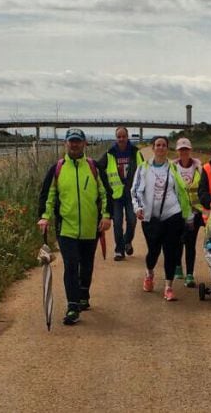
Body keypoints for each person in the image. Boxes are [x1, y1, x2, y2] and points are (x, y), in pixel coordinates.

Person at [37, 128, 112, 325]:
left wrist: (106, 216)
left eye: (78, 141)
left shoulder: (94, 167)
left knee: (86, 265)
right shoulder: (57, 169)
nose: (75, 144)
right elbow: (48, 196)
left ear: (85, 144)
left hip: (90, 227)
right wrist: (44, 217)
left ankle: (83, 294)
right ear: (66, 144)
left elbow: (106, 194)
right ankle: (72, 306)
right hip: (66, 228)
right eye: (71, 141)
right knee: (71, 264)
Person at [131, 136, 192, 301]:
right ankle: (149, 273)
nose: (160, 148)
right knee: (153, 251)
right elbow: (135, 191)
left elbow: (182, 191)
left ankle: (168, 287)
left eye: (164, 145)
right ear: (153, 148)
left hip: (172, 214)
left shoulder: (173, 167)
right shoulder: (143, 168)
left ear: (167, 149)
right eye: (157, 145)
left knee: (171, 252)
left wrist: (188, 215)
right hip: (151, 218)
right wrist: (138, 208)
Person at [97, 126, 144, 261]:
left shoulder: (135, 152)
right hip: (116, 195)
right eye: (119, 137)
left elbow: (143, 170)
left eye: (123, 136)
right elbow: (99, 167)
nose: (121, 139)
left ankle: (127, 241)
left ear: (127, 137)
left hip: (131, 194)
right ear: (116, 138)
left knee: (132, 220)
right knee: (117, 223)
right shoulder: (110, 153)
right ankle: (119, 250)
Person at [172, 137, 204, 287]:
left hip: (194, 212)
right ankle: (177, 266)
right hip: (177, 211)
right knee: (178, 240)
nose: (183, 152)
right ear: (177, 151)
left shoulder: (199, 168)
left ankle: (190, 274)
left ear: (190, 150)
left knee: (190, 243)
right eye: (181, 150)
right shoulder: (172, 168)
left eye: (186, 149)